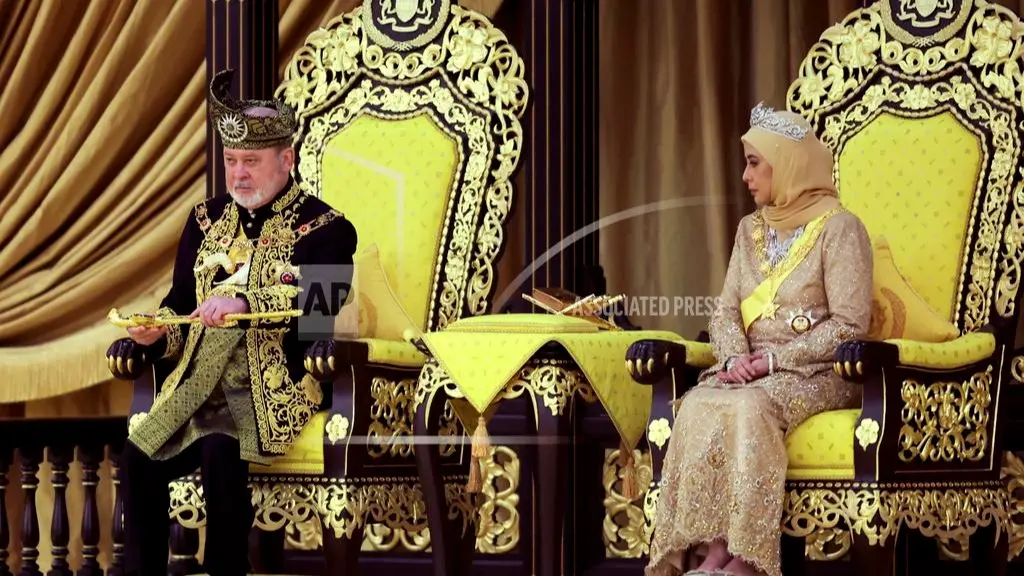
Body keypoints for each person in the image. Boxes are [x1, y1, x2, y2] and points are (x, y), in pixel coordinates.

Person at [105, 69, 357, 575]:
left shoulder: (331, 229)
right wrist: (156, 337)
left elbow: (318, 310)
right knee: (137, 457)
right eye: (232, 161)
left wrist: (246, 303)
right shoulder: (203, 220)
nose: (239, 174)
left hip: (270, 386)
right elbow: (179, 302)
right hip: (195, 384)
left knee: (221, 451)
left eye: (252, 162)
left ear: (286, 160)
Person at [644, 102, 873, 576]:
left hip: (819, 373)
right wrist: (733, 361)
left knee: (749, 406)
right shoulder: (750, 229)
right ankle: (711, 554)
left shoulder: (841, 229)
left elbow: (851, 324)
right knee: (700, 401)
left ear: (787, 164)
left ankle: (747, 559)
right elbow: (725, 309)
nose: (745, 176)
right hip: (749, 369)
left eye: (754, 163)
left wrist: (773, 362)